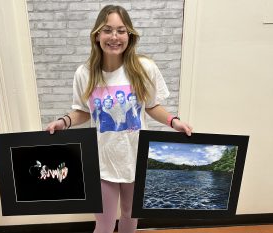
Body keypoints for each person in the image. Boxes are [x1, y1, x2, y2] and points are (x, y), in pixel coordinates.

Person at [46, 5, 192, 233]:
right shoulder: (84, 73)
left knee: (129, 218)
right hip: (103, 161)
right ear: (97, 35)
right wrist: (63, 121)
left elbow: (152, 106)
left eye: (121, 30)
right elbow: (84, 111)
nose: (114, 37)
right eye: (107, 30)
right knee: (103, 226)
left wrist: (174, 122)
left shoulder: (145, 68)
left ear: (129, 35)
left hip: (135, 158)